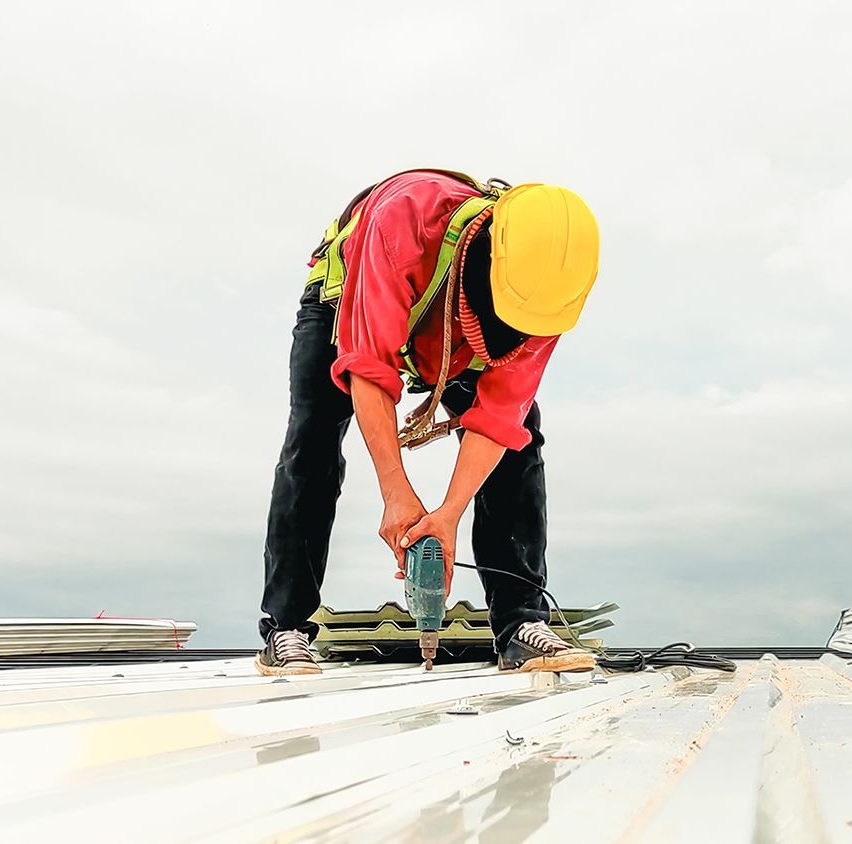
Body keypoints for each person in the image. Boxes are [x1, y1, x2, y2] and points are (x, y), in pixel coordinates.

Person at [255, 169, 602, 676]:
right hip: (345, 304)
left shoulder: (552, 294)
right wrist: (396, 493)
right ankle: (286, 627)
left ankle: (521, 625)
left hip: (460, 340)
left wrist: (448, 515)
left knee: (522, 446)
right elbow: (370, 369)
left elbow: (499, 419)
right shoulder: (404, 221)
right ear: (488, 255)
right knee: (311, 439)